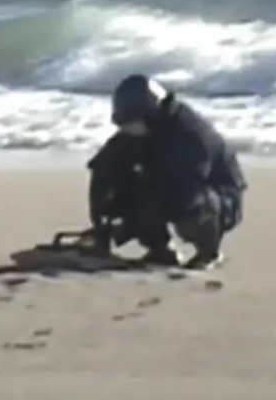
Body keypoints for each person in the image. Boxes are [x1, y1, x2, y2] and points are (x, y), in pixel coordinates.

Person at [87, 75, 248, 271]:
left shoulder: (190, 133)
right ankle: (161, 251)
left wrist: (136, 214)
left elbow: (184, 182)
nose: (125, 128)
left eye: (129, 122)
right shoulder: (139, 131)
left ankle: (209, 252)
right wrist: (102, 221)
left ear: (148, 113)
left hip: (219, 197)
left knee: (189, 198)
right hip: (167, 185)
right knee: (127, 186)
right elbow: (102, 168)